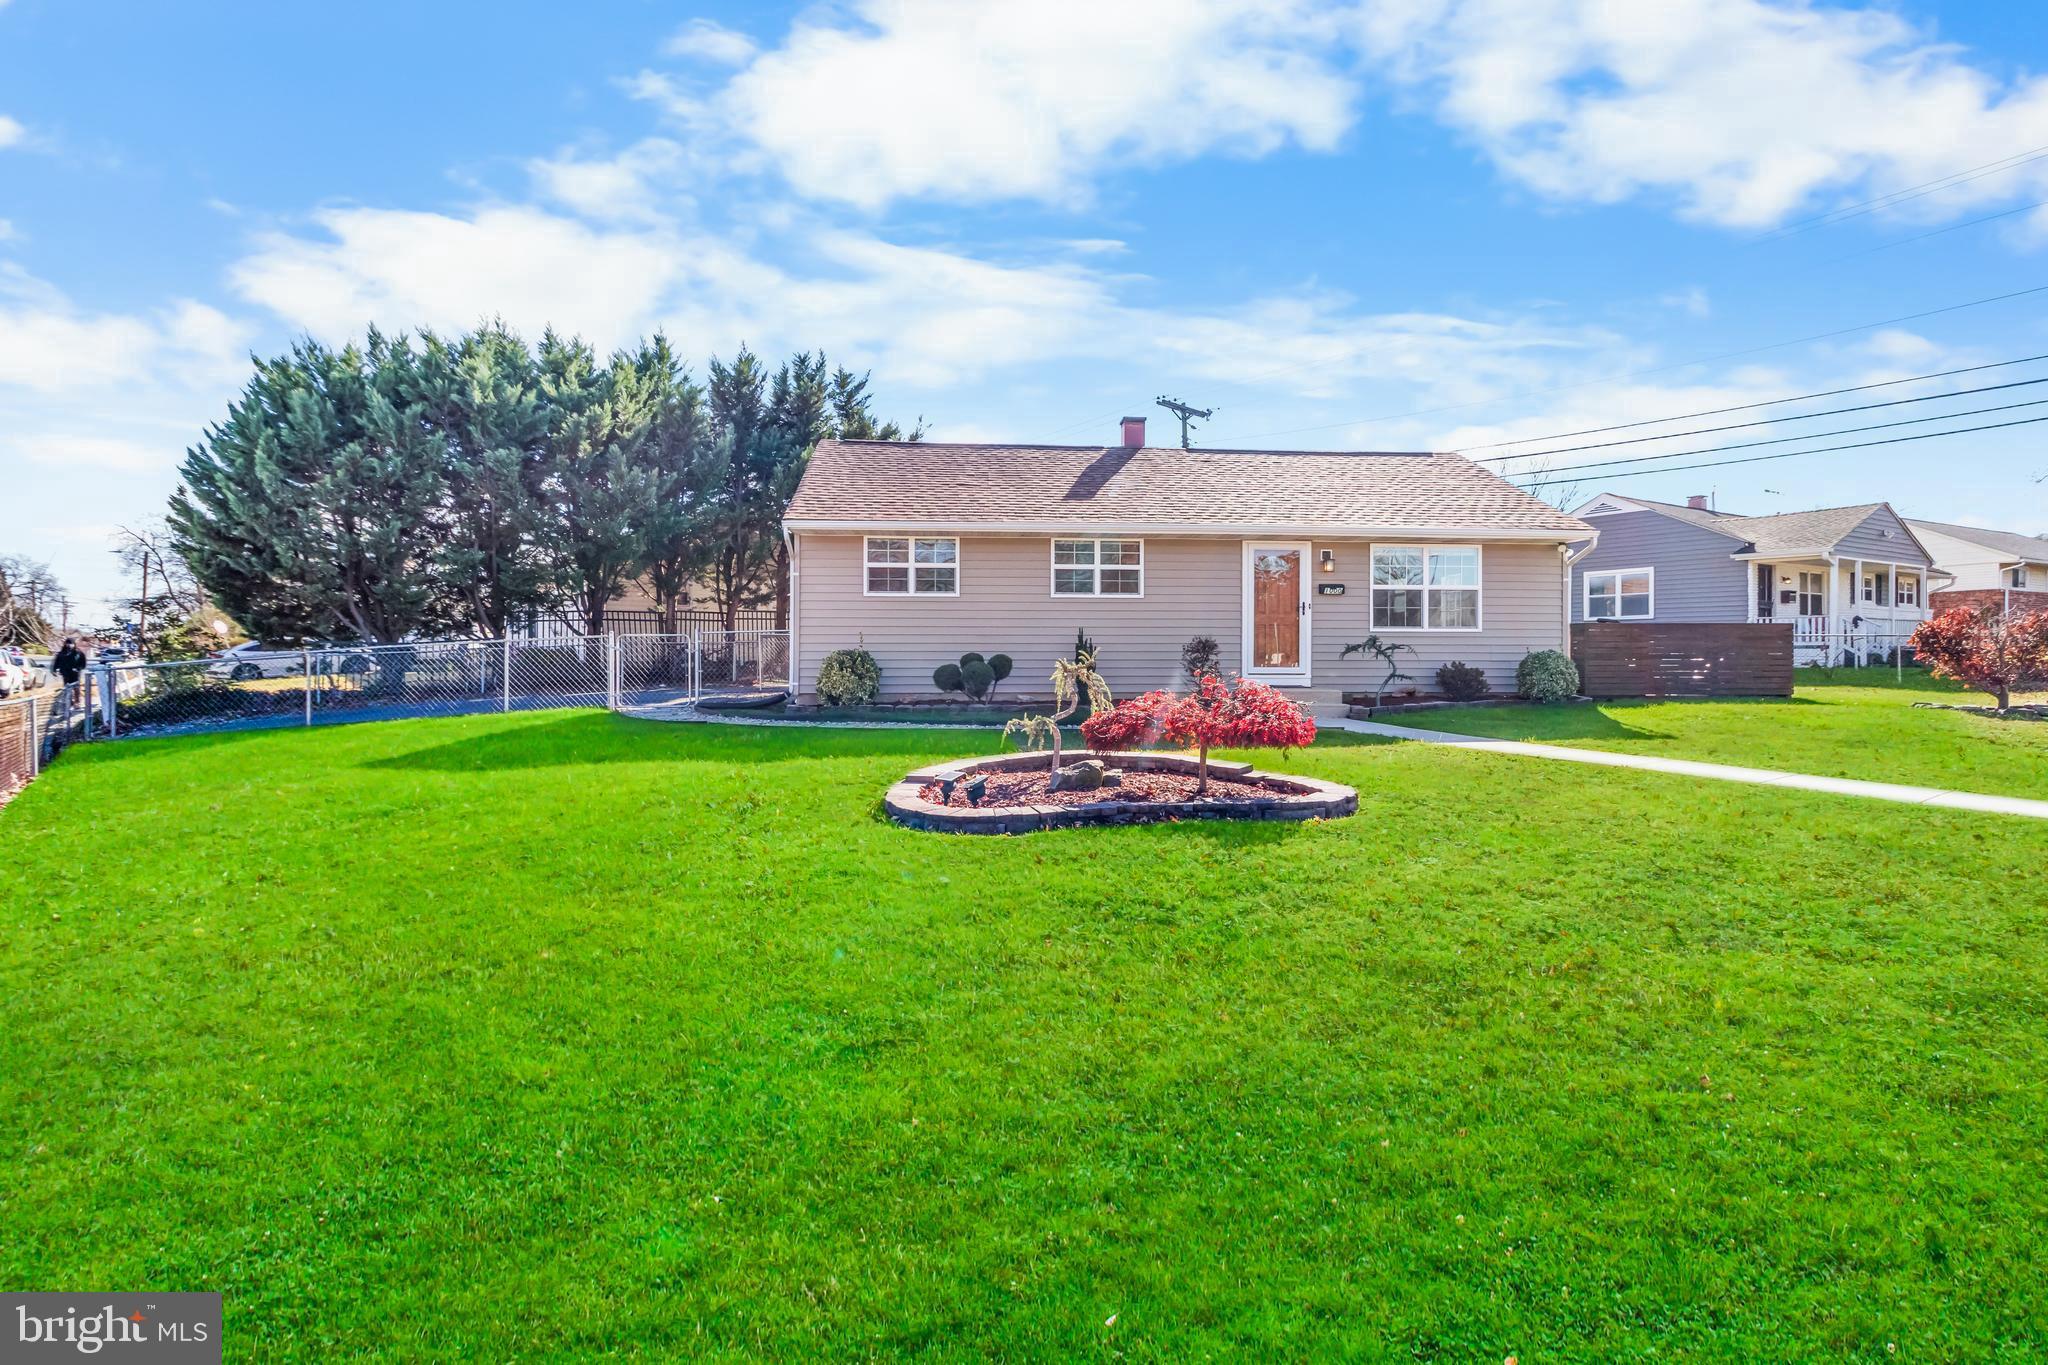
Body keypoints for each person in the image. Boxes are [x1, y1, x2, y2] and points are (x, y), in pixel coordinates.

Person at [53, 637, 86, 710]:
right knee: (67, 688)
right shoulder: (62, 653)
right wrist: (55, 670)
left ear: (74, 644)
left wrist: (78, 668)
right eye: (68, 644)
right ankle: (70, 703)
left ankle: (77, 703)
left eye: (71, 644)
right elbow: (57, 662)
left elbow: (83, 663)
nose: (69, 645)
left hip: (75, 674)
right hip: (65, 673)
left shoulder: (78, 653)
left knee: (76, 688)